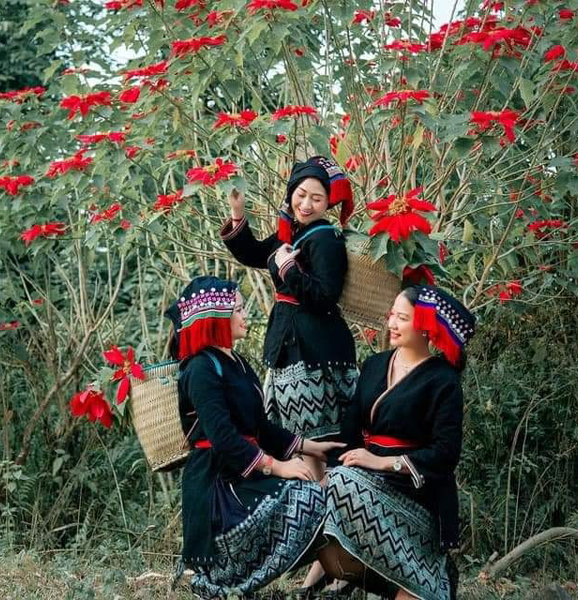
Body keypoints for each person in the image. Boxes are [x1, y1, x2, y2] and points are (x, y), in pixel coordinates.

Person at [221, 155, 358, 592]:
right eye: (301, 195)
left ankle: (337, 563)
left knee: (322, 457)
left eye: (317, 198)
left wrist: (289, 271)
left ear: (328, 203)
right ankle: (329, 562)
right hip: (289, 351)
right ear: (291, 194)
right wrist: (238, 214)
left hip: (317, 357)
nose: (306, 203)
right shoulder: (291, 233)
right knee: (307, 457)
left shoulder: (325, 239)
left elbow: (325, 295)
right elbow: (252, 253)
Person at [165, 275, 344, 599]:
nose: (245, 315)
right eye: (238, 310)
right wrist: (278, 466)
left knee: (323, 494)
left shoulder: (237, 363)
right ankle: (220, 581)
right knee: (308, 499)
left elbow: (261, 427)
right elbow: (224, 438)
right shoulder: (201, 369)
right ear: (216, 319)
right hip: (217, 486)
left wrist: (311, 447)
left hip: (242, 472)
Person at [318, 285, 477, 600]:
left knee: (341, 482)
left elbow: (445, 453)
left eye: (402, 318)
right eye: (392, 315)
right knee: (318, 491)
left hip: (415, 489)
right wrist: (329, 470)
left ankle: (424, 578)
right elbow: (350, 431)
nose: (391, 323)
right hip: (365, 478)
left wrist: (384, 462)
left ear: (425, 326)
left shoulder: (443, 380)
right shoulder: (375, 364)